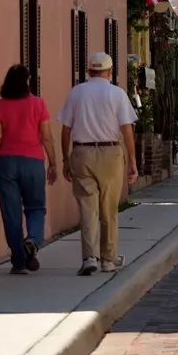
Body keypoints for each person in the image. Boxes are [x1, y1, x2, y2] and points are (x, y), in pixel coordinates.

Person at [58, 52, 139, 276]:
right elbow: (127, 129)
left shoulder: (76, 93)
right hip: (111, 152)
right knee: (109, 209)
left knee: (87, 209)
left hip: (82, 152)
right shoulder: (117, 94)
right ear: (110, 71)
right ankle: (108, 258)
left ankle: (89, 257)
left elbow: (65, 129)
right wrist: (132, 160)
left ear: (88, 71)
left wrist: (66, 158)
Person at [0, 64, 57, 274]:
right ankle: (32, 239)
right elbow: (46, 136)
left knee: (11, 213)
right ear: (26, 81)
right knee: (35, 207)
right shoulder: (38, 104)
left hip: (6, 163)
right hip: (33, 162)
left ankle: (19, 259)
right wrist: (53, 163)